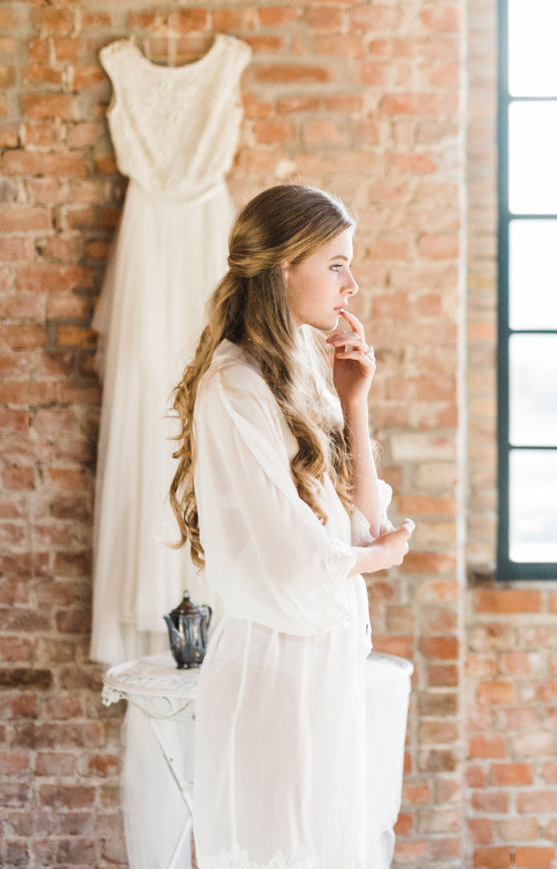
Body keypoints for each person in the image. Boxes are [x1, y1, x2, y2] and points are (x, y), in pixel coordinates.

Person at [168, 184, 414, 868]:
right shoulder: (235, 386)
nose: (351, 283)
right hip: (273, 673)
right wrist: (380, 558)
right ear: (283, 268)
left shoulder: (298, 374)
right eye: (336, 263)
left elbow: (361, 520)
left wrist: (354, 405)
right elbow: (296, 556)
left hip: (324, 668)